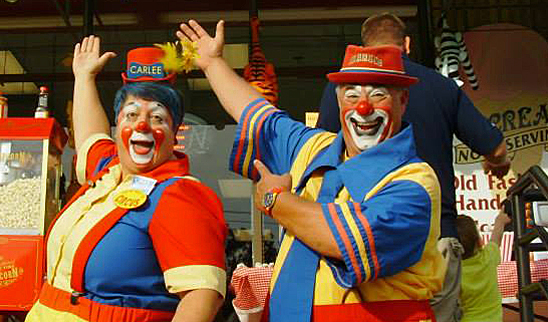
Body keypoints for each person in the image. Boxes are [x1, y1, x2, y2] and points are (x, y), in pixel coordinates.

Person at [178, 19, 445, 322]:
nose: (363, 108)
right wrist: (213, 64)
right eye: (351, 95)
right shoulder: (316, 148)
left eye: (378, 94)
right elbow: (260, 116)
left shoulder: (414, 181)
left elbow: (343, 240)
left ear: (403, 100)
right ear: (338, 99)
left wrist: (275, 200)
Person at [317, 13, 510, 322]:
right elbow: (496, 147)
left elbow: (323, 152)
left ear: (366, 46)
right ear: (406, 44)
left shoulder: (342, 90)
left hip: (366, 233)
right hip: (435, 235)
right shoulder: (441, 86)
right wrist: (497, 161)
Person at [26, 36, 227, 322]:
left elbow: (201, 297)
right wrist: (84, 77)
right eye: (130, 114)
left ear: (175, 132)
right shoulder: (109, 170)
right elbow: (89, 138)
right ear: (118, 123)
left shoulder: (179, 194)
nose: (141, 125)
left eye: (157, 118)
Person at [457, 210, 510, 322]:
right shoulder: (488, 257)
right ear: (479, 241)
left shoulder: (453, 271)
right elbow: (496, 238)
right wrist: (500, 221)